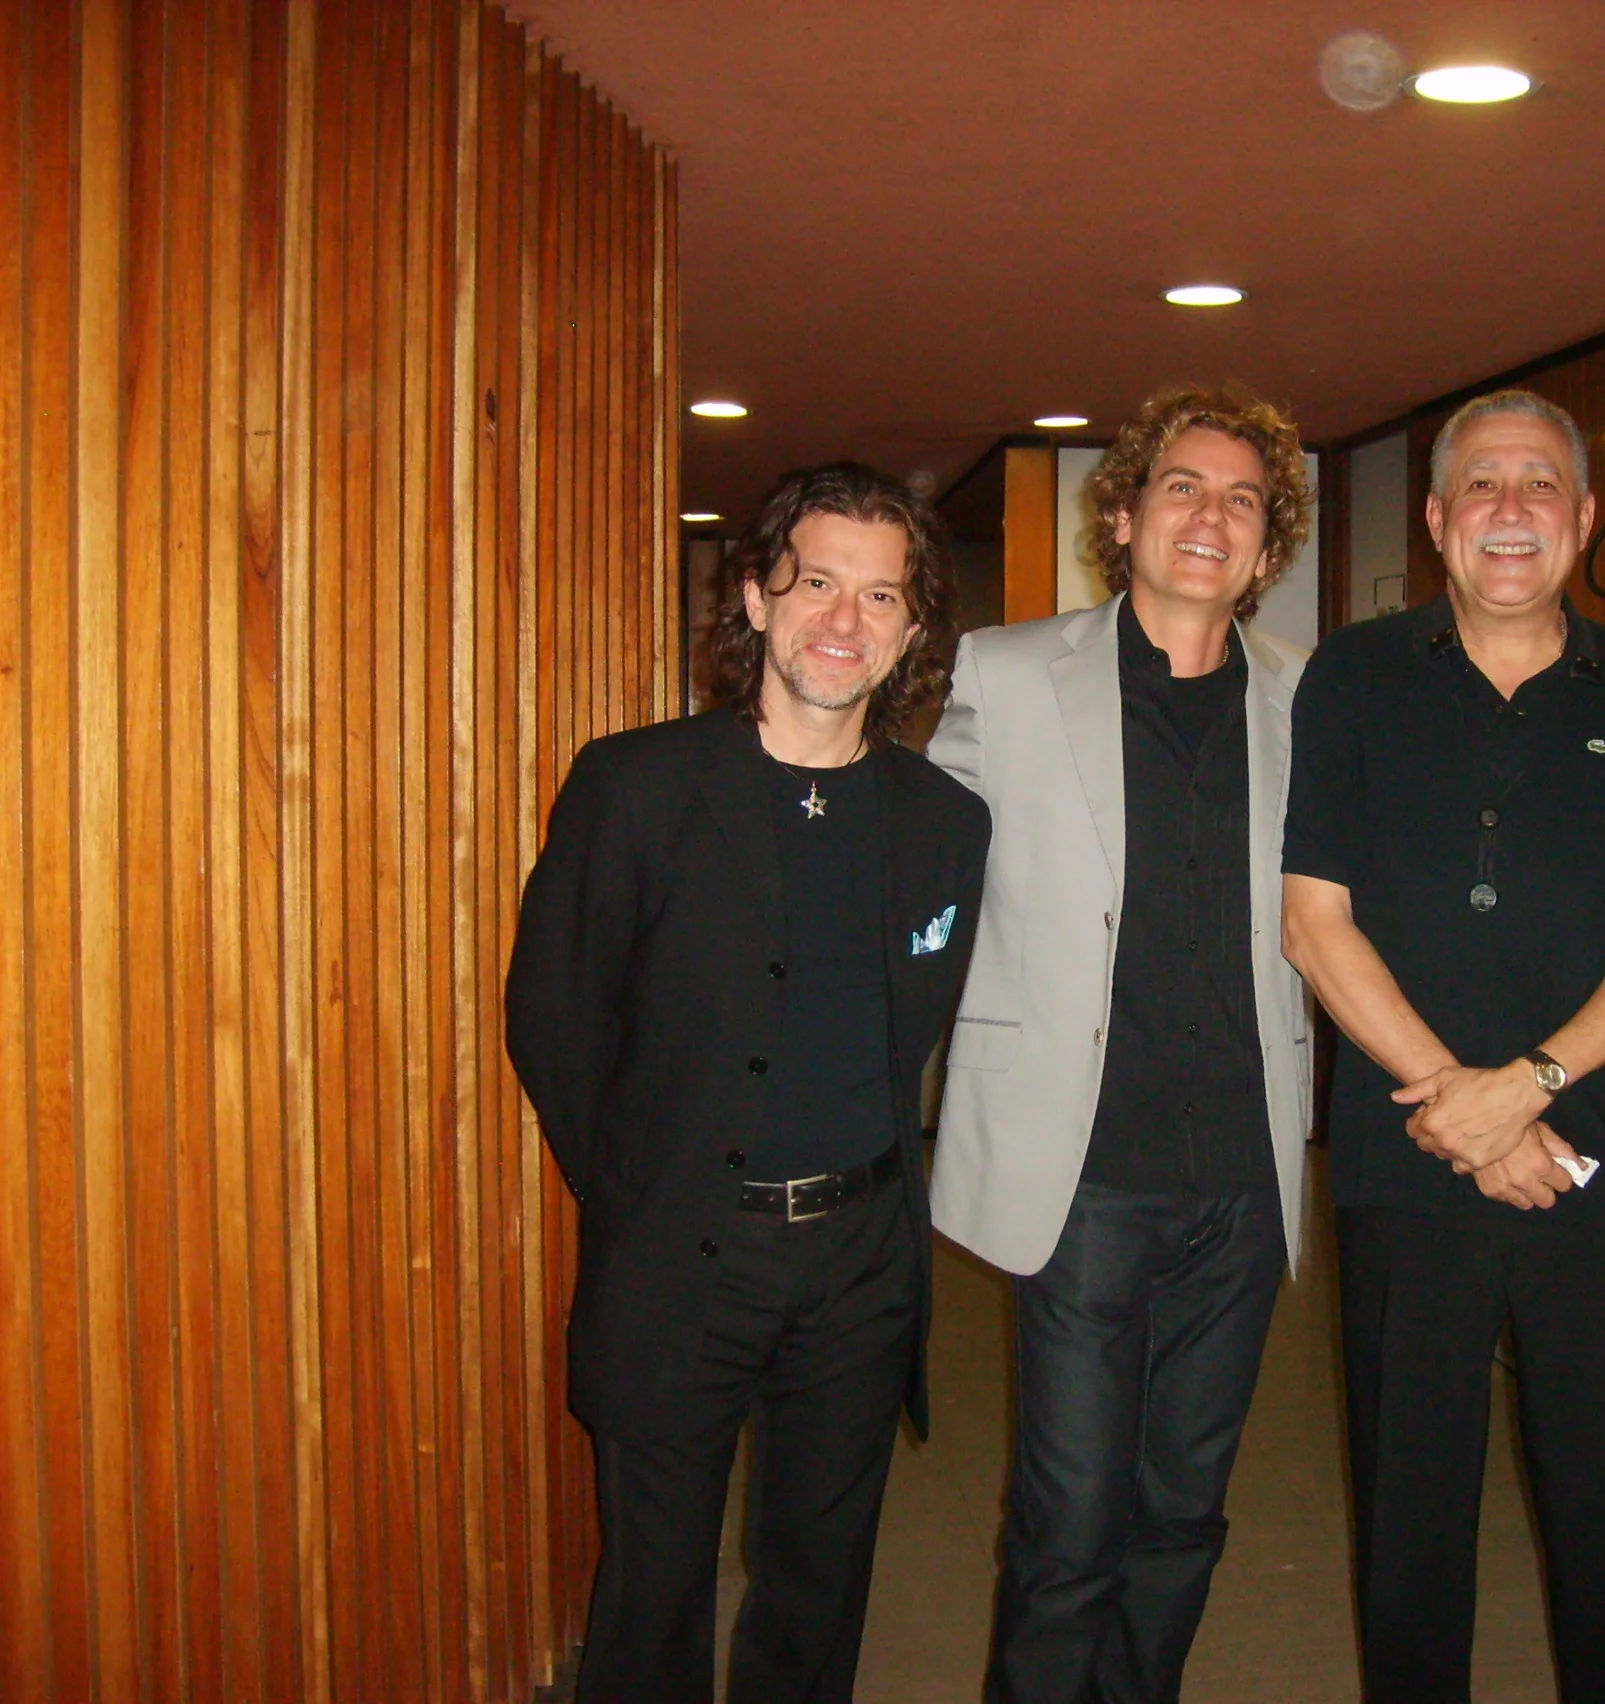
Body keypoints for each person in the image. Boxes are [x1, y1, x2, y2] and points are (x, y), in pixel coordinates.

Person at [504, 463, 989, 1704]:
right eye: (816, 582)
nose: (844, 621)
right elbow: (553, 1017)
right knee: (653, 1586)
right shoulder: (635, 785)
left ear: (913, 630)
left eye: (880, 597)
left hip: (861, 1262)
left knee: (819, 1581)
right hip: (683, 1251)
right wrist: (634, 1190)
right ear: (758, 600)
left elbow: (914, 1027)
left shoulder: (943, 822)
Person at [1281, 388, 1605, 1703]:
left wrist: (1524, 1091)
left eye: (1539, 487)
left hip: (1603, 1162)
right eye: (1481, 485)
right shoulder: (1353, 676)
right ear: (1436, 520)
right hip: (1407, 1168)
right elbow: (1316, 923)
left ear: (1582, 521)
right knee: (1410, 1522)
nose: (1509, 510)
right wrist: (1456, 1110)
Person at [927, 382, 1316, 1704]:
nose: (1212, 517)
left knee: (1185, 1513)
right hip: (1084, 1168)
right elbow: (912, 870)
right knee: (1071, 1520)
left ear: (1268, 550)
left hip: (1246, 1183)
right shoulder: (1005, 669)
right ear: (1127, 512)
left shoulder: (1307, 704)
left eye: (1244, 501)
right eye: (1184, 488)